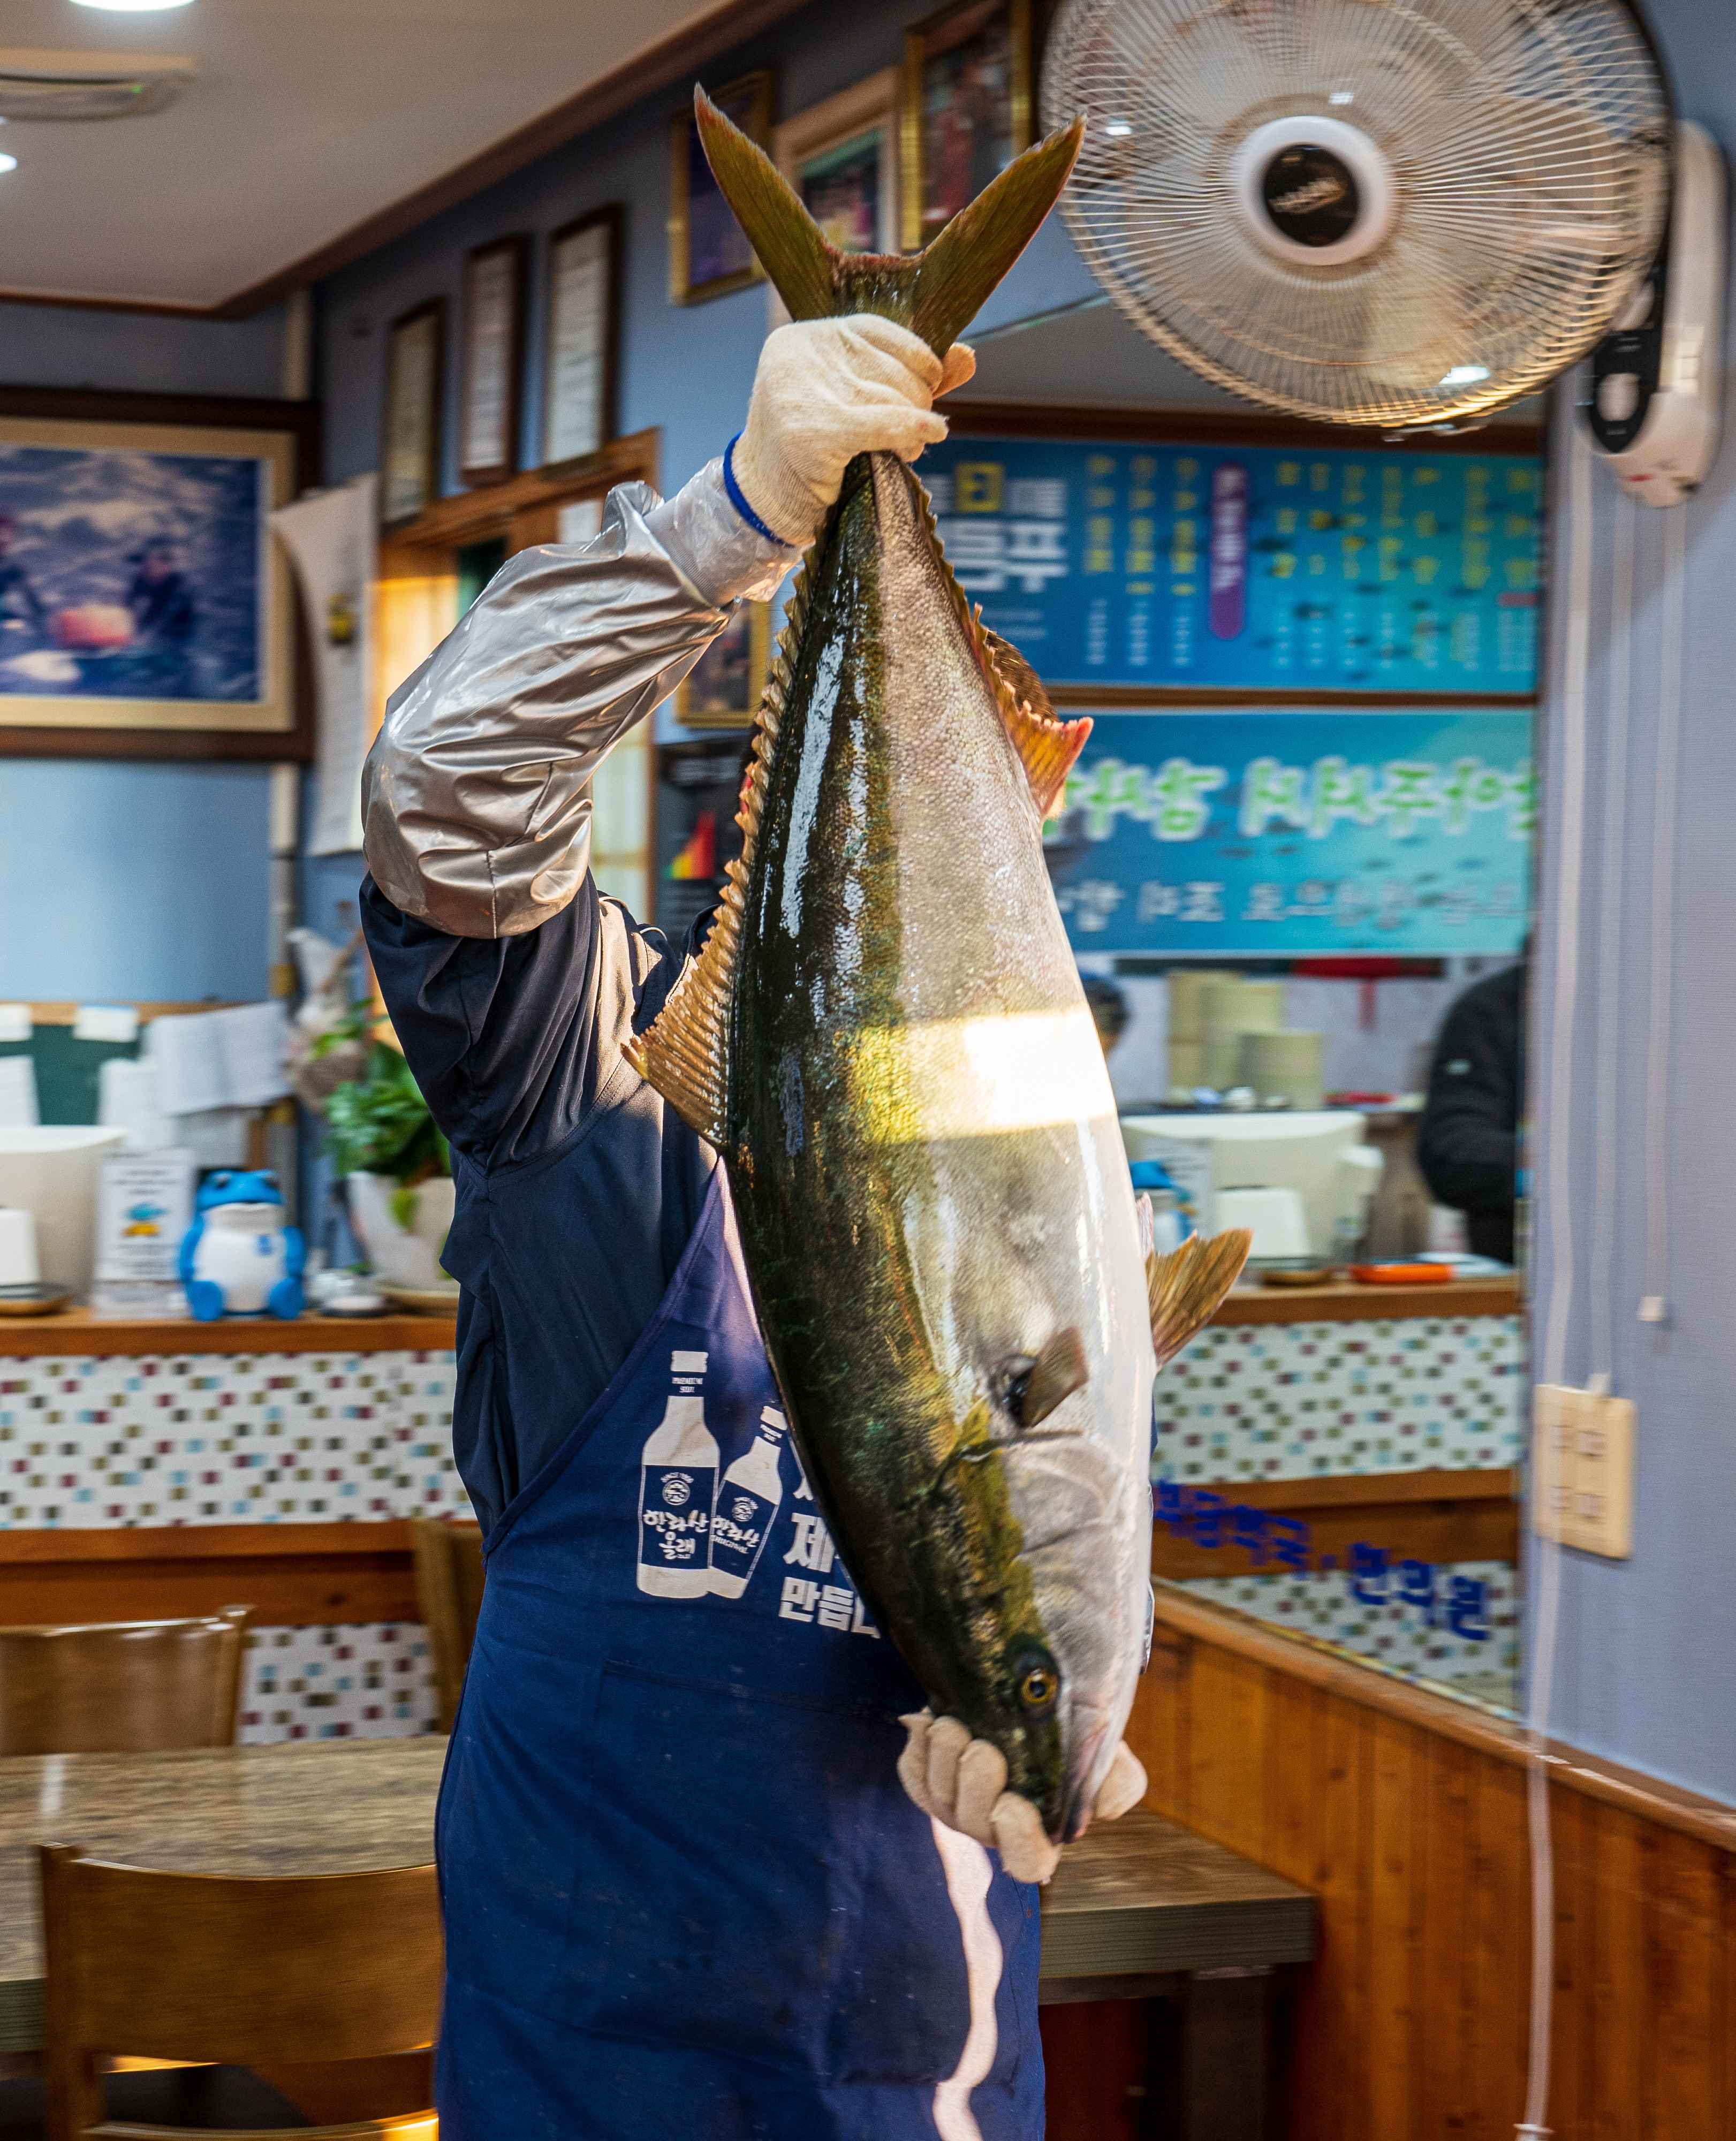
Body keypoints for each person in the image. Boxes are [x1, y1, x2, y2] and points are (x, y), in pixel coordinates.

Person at [360, 316, 1147, 2141]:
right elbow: (442, 802)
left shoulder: (1032, 1156)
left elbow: (1079, 1531)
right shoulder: (586, 1100)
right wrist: (735, 515)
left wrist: (1066, 1735)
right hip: (589, 2089)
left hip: (918, 2088)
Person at [1416, 960, 1526, 1264]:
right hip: (1521, 1276)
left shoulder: (1655, 1002)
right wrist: (1563, 1171)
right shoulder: (1498, 1008)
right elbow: (1452, 1150)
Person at [125, 536, 198, 695]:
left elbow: (163, 619)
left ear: (165, 565)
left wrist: (140, 640)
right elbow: (128, 611)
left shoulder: (178, 587)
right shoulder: (141, 581)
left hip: (176, 644)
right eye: (144, 564)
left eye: (150, 565)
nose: (145, 569)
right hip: (148, 643)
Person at [0, 513, 47, 640]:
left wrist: (43, 619)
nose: (3, 539)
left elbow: (33, 602)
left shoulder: (12, 569)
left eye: (7, 535)